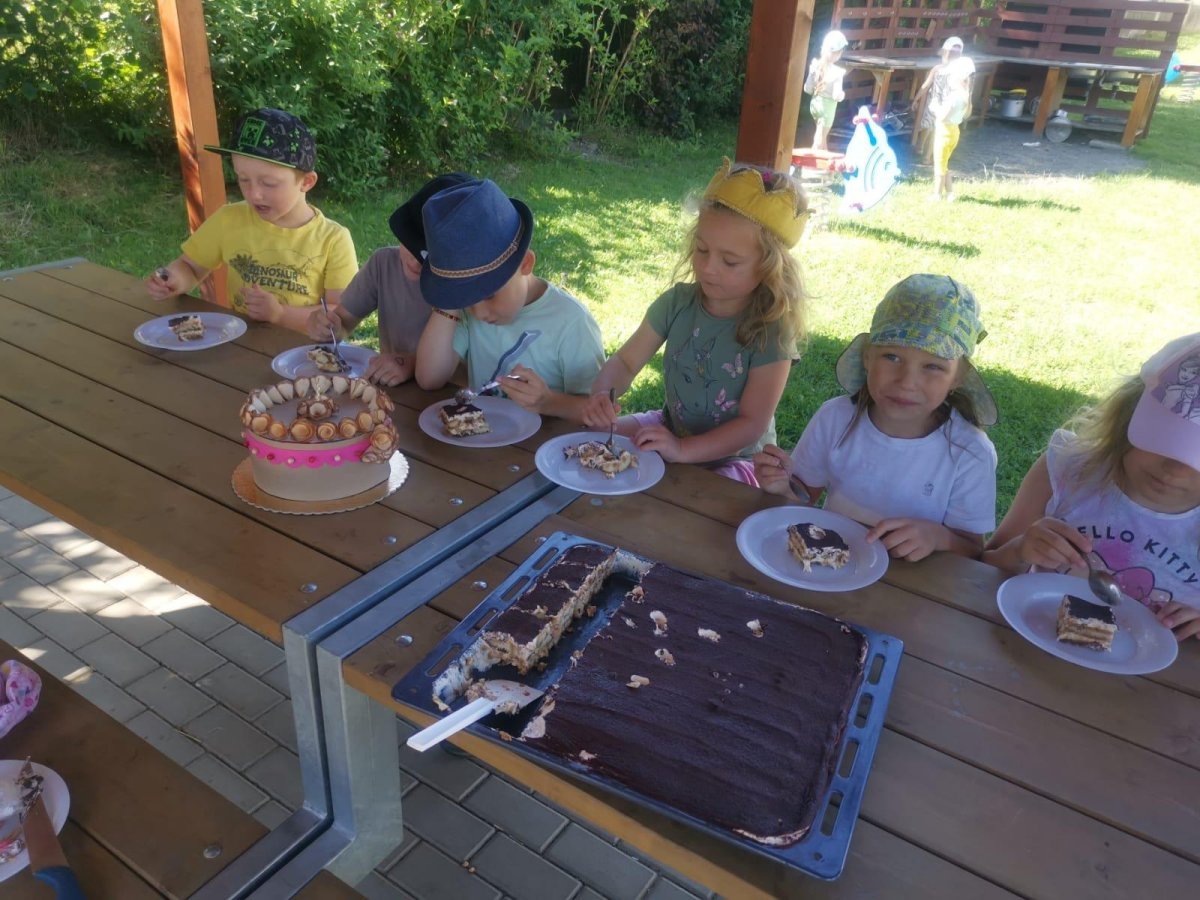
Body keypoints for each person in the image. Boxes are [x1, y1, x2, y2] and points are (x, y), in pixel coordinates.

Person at [583, 159, 808, 485]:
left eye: (730, 261)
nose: (708, 268)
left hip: (739, 458)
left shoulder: (772, 331)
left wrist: (682, 450)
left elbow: (751, 424)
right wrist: (604, 392)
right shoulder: (677, 303)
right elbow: (626, 361)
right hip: (670, 430)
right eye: (702, 250)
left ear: (770, 268)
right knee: (590, 440)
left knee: (693, 499)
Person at [754, 274, 998, 561]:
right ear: (868, 356)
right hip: (832, 565)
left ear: (958, 376)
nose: (906, 382)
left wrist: (937, 537)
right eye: (892, 357)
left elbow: (972, 550)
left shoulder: (970, 453)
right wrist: (782, 486)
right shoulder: (835, 419)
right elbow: (803, 496)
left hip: (913, 582)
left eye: (932, 366)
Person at [983, 334, 1200, 641]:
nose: (1176, 470)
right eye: (1164, 440)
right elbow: (984, 566)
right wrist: (1020, 550)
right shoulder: (1068, 468)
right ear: (1128, 414)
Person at [146, 108, 357, 333]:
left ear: (306, 182)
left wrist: (280, 314)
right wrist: (174, 280)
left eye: (269, 183)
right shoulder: (229, 220)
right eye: (243, 179)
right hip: (240, 343)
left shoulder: (333, 239)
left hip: (304, 351)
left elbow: (340, 314)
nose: (254, 194)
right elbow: (190, 267)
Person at [414, 178, 605, 421]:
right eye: (467, 298)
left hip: (547, 444)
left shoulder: (571, 322)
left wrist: (548, 402)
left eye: (489, 294)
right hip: (481, 440)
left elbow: (599, 412)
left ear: (525, 263)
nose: (479, 313)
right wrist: (450, 295)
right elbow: (429, 377)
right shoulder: (466, 311)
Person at [307, 173, 473, 386]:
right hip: (392, 389)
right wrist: (328, 326)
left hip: (448, 395)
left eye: (430, 259)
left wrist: (411, 363)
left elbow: (467, 371)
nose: (415, 263)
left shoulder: (467, 286)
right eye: (410, 244)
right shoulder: (383, 264)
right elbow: (343, 323)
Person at [914, 36, 976, 173]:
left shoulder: (959, 71)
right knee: (927, 127)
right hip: (933, 103)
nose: (953, 55)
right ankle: (920, 145)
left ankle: (927, 157)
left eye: (956, 52)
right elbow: (926, 85)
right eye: (951, 52)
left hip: (946, 105)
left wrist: (967, 102)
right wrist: (916, 99)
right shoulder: (937, 68)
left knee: (937, 130)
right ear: (945, 52)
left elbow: (966, 88)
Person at [804, 30, 849, 151]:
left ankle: (826, 161)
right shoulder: (837, 72)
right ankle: (812, 160)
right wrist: (842, 95)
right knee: (819, 139)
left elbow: (807, 88)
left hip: (815, 106)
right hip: (827, 109)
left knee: (822, 137)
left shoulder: (816, 66)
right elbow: (836, 96)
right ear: (837, 53)